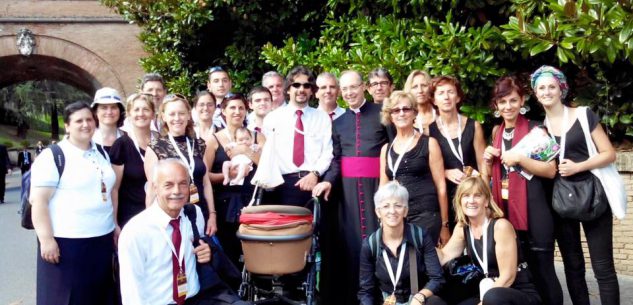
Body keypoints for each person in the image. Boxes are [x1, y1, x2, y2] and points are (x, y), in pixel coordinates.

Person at [532, 65, 620, 305]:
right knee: (573, 265)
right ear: (536, 94)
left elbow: (609, 153)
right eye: (541, 88)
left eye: (552, 86)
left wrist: (578, 166)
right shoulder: (539, 130)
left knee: (603, 267)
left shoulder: (583, 115)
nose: (547, 91)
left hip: (593, 196)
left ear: (561, 89)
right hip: (561, 203)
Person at [118, 158, 249, 305]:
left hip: (197, 299)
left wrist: (208, 251)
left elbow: (198, 251)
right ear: (155, 188)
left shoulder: (194, 214)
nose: (177, 191)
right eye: (168, 185)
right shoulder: (136, 231)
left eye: (182, 184)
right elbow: (131, 291)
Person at [312, 70, 392, 305]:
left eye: (353, 87)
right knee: (350, 246)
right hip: (346, 194)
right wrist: (328, 180)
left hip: (377, 187)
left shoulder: (382, 114)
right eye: (344, 89)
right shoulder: (338, 122)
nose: (349, 93)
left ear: (364, 87)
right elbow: (336, 159)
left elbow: (393, 150)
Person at [482, 76, 563, 305]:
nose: (508, 106)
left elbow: (550, 170)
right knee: (523, 276)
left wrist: (520, 158)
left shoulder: (536, 128)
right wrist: (487, 161)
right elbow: (488, 176)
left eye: (513, 100)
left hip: (535, 211)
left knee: (544, 272)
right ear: (495, 105)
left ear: (522, 101)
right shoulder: (497, 133)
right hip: (506, 212)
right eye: (502, 101)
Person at [30, 102, 116, 305]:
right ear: (67, 126)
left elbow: (108, 192)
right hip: (67, 245)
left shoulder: (101, 153)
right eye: (79, 121)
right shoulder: (54, 156)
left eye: (89, 119)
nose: (85, 124)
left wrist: (114, 225)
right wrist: (46, 240)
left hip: (101, 241)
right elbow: (39, 202)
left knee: (98, 298)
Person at [436, 176, 541, 305]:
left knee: (493, 297)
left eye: (477, 196)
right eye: (466, 196)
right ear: (460, 201)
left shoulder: (500, 226)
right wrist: (420, 242)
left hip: (514, 291)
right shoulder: (462, 227)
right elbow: (444, 256)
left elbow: (508, 277)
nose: (471, 200)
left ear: (486, 201)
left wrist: (482, 303)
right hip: (488, 289)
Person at [379, 91, 450, 246]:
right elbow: (382, 190)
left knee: (421, 265)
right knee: (403, 267)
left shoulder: (429, 143)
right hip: (397, 217)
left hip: (426, 216)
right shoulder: (386, 149)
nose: (401, 113)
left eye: (406, 109)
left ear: (414, 113)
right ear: (390, 116)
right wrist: (382, 220)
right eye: (396, 110)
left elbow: (441, 187)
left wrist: (445, 225)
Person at [359, 181, 446, 305]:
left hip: (416, 301)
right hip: (386, 302)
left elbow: (437, 278)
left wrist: (420, 296)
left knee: (435, 302)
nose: (392, 211)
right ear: (378, 212)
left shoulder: (420, 236)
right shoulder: (370, 245)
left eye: (398, 206)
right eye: (386, 206)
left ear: (405, 211)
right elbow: (366, 291)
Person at [144, 94, 217, 236]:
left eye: (181, 113)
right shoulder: (156, 147)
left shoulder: (199, 144)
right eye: (172, 114)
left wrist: (212, 215)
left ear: (189, 115)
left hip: (200, 213)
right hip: (171, 216)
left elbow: (206, 182)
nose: (177, 118)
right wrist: (151, 222)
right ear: (164, 117)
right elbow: (152, 189)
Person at [207, 93, 264, 269]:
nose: (237, 111)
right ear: (223, 111)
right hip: (225, 203)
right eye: (232, 107)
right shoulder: (214, 139)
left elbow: (267, 167)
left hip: (252, 201)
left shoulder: (257, 137)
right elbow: (205, 175)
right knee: (229, 250)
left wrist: (245, 151)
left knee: (254, 250)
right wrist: (227, 176)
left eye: (241, 108)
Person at [262, 66, 332, 206]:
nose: (301, 89)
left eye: (306, 85)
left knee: (312, 227)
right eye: (296, 85)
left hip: (313, 184)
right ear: (288, 89)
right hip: (281, 186)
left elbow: (327, 152)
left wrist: (315, 174)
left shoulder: (322, 117)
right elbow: (267, 155)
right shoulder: (272, 118)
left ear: (312, 91)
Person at [428, 76, 486, 230]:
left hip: (473, 195)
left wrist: (487, 196)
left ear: (458, 97)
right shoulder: (429, 131)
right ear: (434, 100)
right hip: (447, 196)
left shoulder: (474, 126)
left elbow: (483, 165)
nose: (446, 97)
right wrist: (445, 172)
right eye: (440, 93)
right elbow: (427, 168)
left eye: (450, 92)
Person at [110, 93, 157, 229]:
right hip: (131, 218)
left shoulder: (162, 142)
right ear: (129, 115)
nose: (141, 114)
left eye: (146, 109)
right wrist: (115, 223)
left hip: (160, 214)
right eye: (136, 110)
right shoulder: (121, 145)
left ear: (153, 114)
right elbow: (114, 189)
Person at [91, 87, 126, 152]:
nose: (109, 112)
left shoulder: (130, 138)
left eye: (113, 107)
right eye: (104, 108)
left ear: (120, 110)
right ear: (96, 111)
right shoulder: (88, 140)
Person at [403, 70, 435, 135]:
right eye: (415, 87)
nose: (420, 90)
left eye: (424, 85)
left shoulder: (440, 113)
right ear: (409, 90)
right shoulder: (404, 117)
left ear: (430, 88)